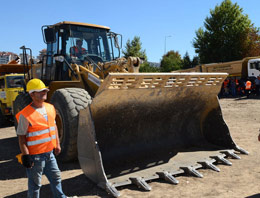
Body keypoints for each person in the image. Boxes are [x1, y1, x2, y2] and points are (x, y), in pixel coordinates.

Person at [16, 78, 76, 198]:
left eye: (45, 90)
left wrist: (57, 144)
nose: (44, 93)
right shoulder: (25, 115)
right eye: (40, 91)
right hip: (35, 157)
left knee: (56, 178)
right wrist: (26, 156)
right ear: (32, 94)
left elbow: (53, 128)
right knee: (35, 185)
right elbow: (22, 138)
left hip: (50, 154)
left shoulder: (50, 108)